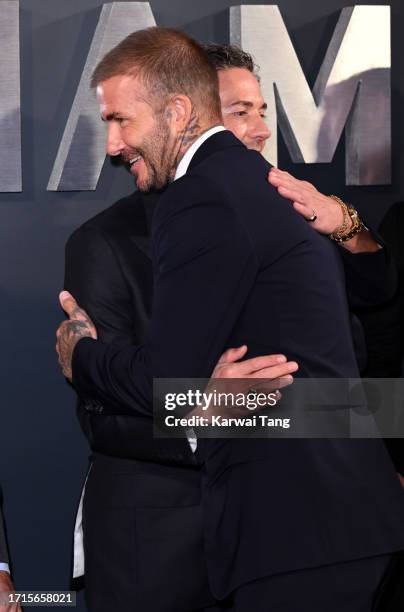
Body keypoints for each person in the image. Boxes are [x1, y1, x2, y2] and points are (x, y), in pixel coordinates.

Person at [57, 29, 404, 611]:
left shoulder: (235, 197)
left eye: (121, 121)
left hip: (297, 527)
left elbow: (334, 374)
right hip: (220, 538)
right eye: (242, 111)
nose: (113, 145)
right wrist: (219, 406)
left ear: (179, 110)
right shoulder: (130, 232)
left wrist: (80, 357)